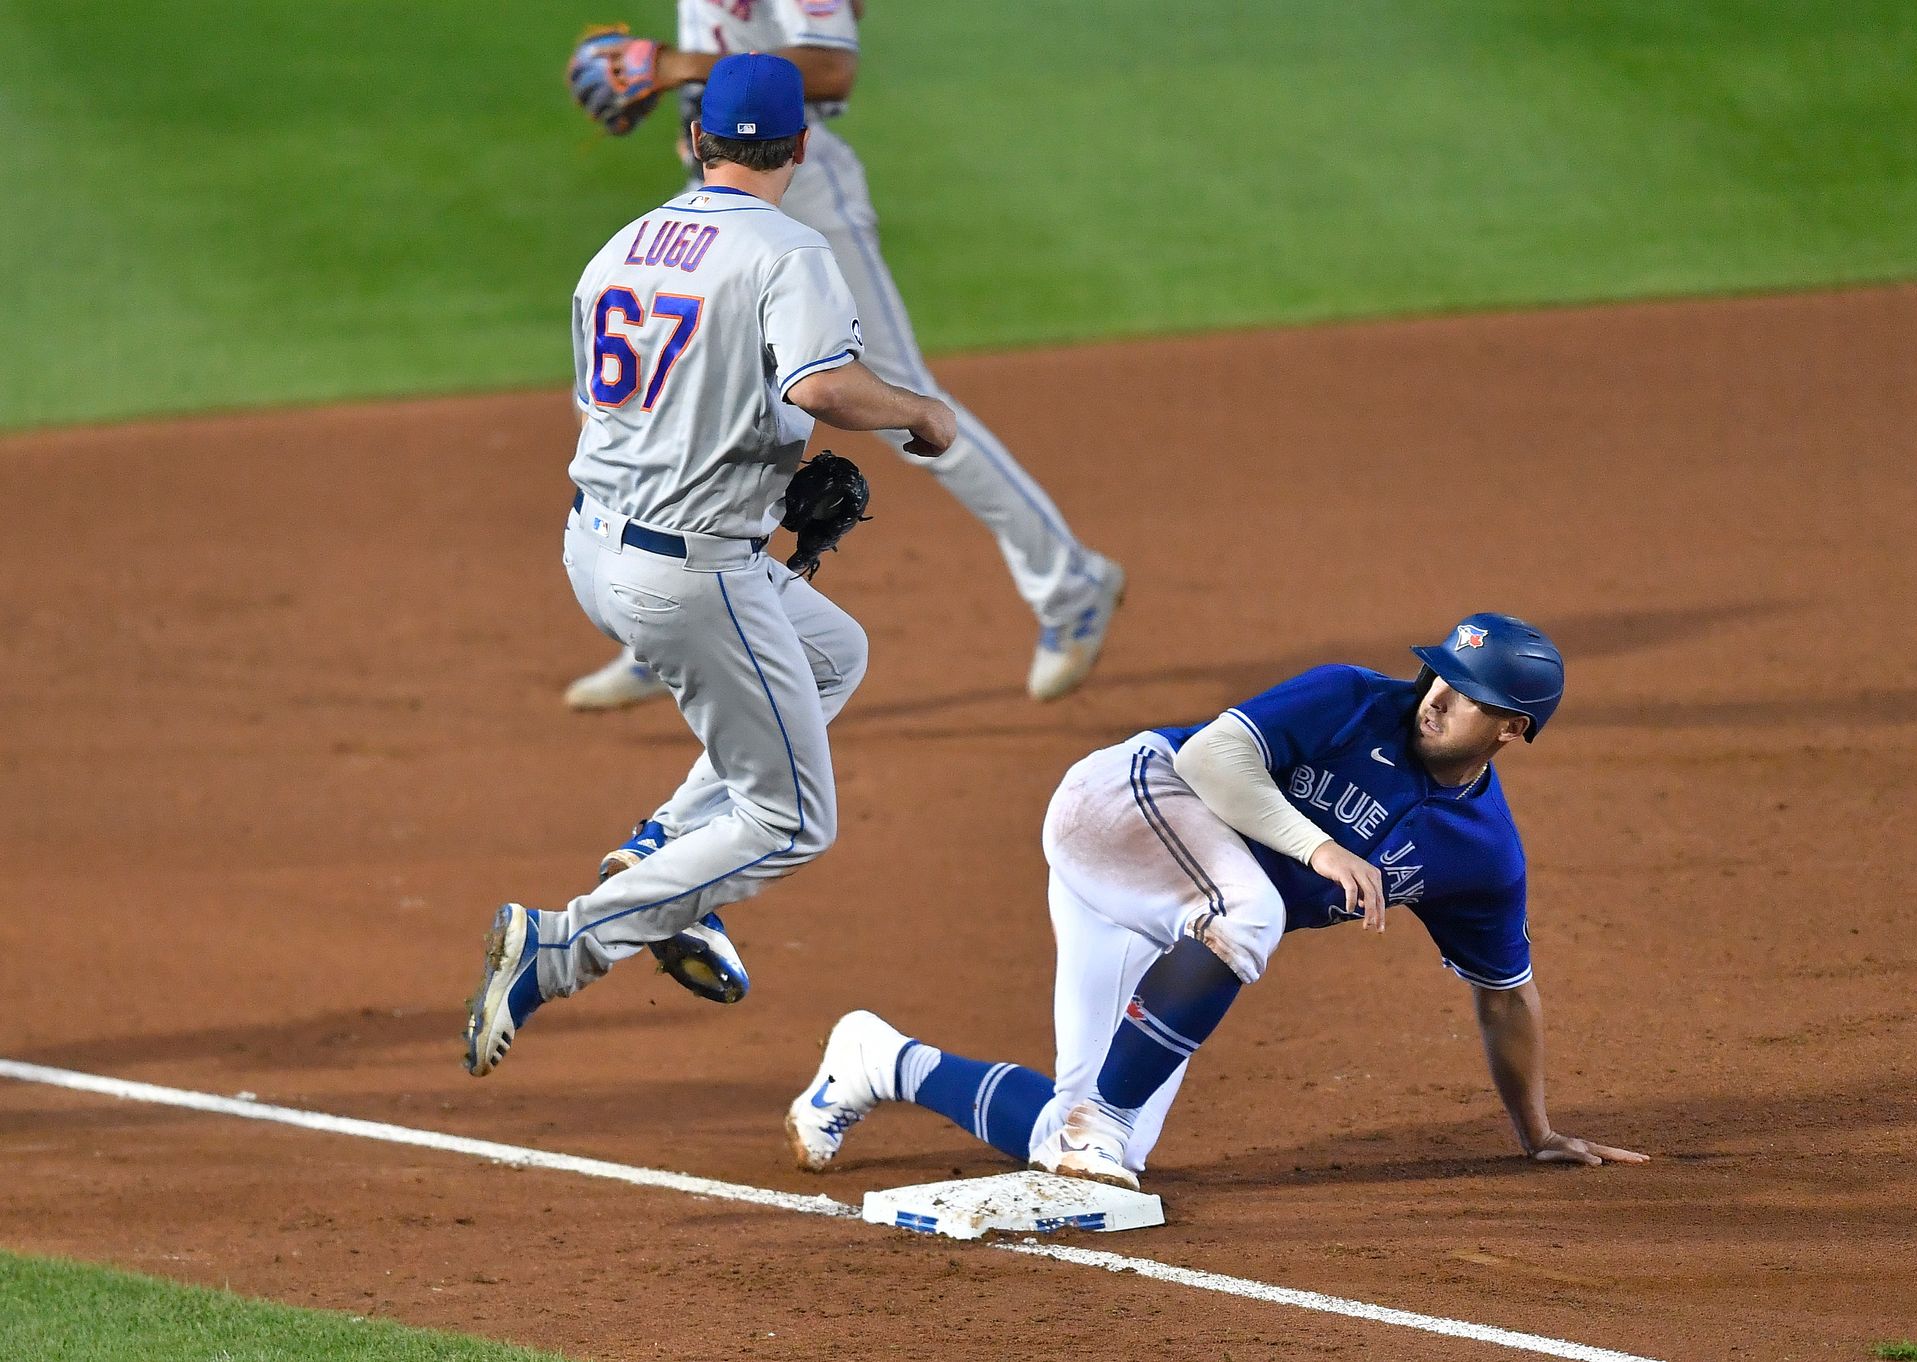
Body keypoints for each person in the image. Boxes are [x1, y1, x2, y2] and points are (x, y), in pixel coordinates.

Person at [465, 53, 956, 1077]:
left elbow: (650, 419)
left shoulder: (619, 247)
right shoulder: (786, 249)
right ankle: (569, 944)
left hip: (591, 546)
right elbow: (823, 389)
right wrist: (918, 415)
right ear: (800, 145)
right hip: (685, 576)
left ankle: (662, 851)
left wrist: (767, 505)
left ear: (695, 139)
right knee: (792, 821)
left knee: (830, 653)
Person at [783, 614, 1648, 1186]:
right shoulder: (1352, 698)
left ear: (1514, 730)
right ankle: (1105, 1120)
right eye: (1438, 676)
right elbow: (1209, 760)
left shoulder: (1482, 855)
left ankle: (876, 1060)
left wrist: (1536, 1131)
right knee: (1251, 914)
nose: (1436, 698)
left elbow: (1504, 993)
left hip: (1156, 899)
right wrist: (1318, 846)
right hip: (1125, 799)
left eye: (1469, 696)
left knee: (1083, 1142)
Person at [561, 0, 1124, 712]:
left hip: (801, 191)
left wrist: (674, 68)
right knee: (672, 387)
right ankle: (664, 625)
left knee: (898, 399)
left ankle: (1071, 582)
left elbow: (830, 68)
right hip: (717, 180)